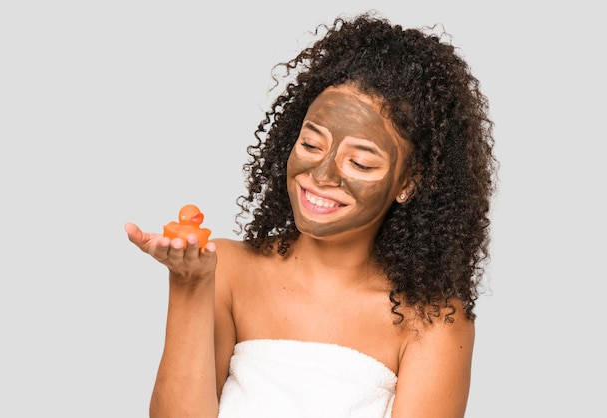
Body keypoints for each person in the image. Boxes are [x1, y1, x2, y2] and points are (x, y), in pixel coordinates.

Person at [125, 10, 496, 418]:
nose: (321, 176)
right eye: (312, 145)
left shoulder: (432, 323)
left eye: (361, 163)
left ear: (409, 183)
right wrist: (189, 285)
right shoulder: (227, 270)